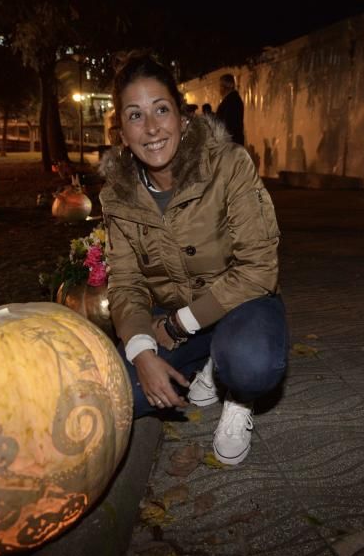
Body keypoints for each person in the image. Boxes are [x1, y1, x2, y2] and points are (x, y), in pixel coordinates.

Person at [99, 54, 288, 466]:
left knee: (252, 365)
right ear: (121, 133)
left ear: (182, 118)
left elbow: (258, 270)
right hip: (170, 318)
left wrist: (178, 324)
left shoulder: (229, 165)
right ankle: (205, 359)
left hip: (242, 304)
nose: (151, 128)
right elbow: (126, 284)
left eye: (161, 110)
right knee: (120, 396)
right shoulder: (117, 195)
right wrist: (142, 351)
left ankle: (237, 395)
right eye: (136, 116)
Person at [215, 73, 245, 146]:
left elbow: (228, 124)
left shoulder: (232, 101)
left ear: (225, 87)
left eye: (221, 86)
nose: (219, 89)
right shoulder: (232, 100)